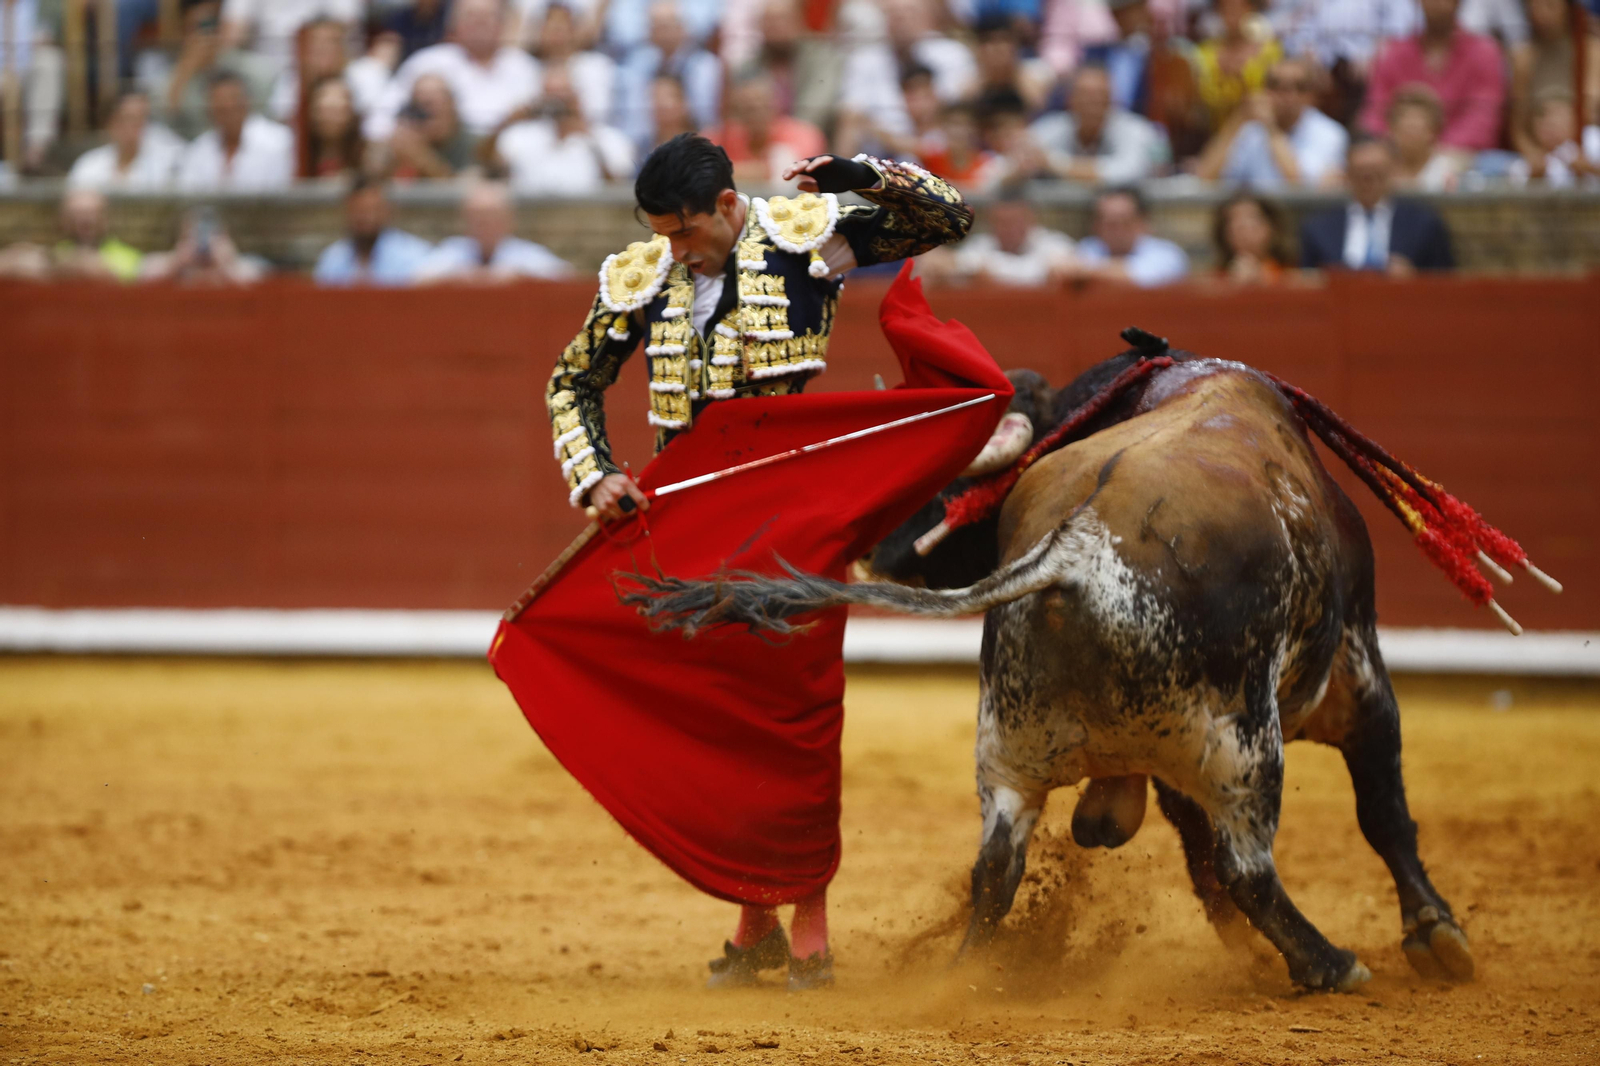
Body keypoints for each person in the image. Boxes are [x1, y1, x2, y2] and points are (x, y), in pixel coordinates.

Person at [544, 136, 972, 988]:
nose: (672, 250)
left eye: (684, 232)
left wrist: (864, 175)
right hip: (691, 530)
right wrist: (596, 476)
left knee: (795, 721)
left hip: (792, 526)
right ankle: (755, 923)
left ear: (729, 205)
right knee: (724, 726)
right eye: (661, 234)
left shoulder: (809, 238)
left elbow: (948, 216)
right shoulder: (643, 276)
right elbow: (572, 382)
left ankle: (802, 923)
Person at [364, 0, 541, 146]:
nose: (481, 23)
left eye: (489, 16)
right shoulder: (427, 62)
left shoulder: (525, 67)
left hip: (510, 164)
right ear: (453, 25)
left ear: (502, 24)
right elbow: (378, 121)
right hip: (442, 159)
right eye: (471, 16)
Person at [1359, 0, 1506, 153]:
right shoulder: (1393, 53)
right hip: (1399, 157)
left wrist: (1434, 153)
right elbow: (1375, 116)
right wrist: (1403, 145)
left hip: (1463, 159)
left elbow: (1483, 121)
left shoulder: (1485, 53)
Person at [1299, 136, 1455, 274]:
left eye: (1377, 174)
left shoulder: (1423, 224)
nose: (1369, 183)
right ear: (1347, 175)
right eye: (1362, 175)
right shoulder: (1319, 228)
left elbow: (1445, 280)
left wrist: (1413, 279)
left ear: (1393, 172)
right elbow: (1306, 282)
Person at [1193, 56, 1347, 187]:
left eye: (1298, 87)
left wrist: (1271, 128)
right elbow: (1205, 177)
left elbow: (1298, 184)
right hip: (1257, 218)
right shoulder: (1250, 129)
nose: (1288, 95)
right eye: (1276, 85)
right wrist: (1238, 119)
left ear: (1312, 95)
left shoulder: (1330, 133)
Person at [146, 0, 276, 140]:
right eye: (196, 27)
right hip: (195, 151)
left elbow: (265, 115)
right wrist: (185, 70)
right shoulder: (173, 77)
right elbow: (162, 121)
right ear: (184, 32)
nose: (205, 35)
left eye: (210, 25)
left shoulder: (248, 68)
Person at [494, 68, 635, 193]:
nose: (558, 102)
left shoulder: (610, 139)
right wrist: (509, 121)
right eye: (551, 95)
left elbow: (617, 190)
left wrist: (588, 138)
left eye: (564, 94)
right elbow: (490, 166)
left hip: (590, 217)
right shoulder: (519, 135)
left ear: (577, 95)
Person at [1028, 63, 1172, 183]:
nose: (1092, 103)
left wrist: (1052, 163)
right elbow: (1022, 155)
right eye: (1085, 95)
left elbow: (1127, 172)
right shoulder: (1051, 126)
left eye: (1100, 95)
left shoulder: (1138, 130)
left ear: (1112, 100)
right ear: (1070, 100)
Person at [613, 1, 722, 159]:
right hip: (649, 143)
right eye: (657, 27)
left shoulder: (705, 66)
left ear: (683, 29)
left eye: (668, 26)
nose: (663, 34)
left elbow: (708, 118)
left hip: (695, 141)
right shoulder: (639, 64)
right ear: (649, 32)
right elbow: (634, 118)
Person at [415, 180, 574, 282]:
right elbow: (416, 280)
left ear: (509, 220)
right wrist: (458, 277)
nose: (483, 222)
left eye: (490, 216)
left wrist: (521, 277)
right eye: (476, 216)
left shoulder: (525, 254)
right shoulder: (453, 250)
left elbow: (566, 279)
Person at [1510, 0, 1600, 173]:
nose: (1541, 14)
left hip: (1589, 150)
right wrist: (1533, 155)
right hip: (1543, 157)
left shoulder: (1594, 52)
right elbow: (1517, 127)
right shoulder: (1523, 59)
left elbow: (1594, 112)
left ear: (1568, 8)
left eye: (1549, 5)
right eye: (1533, 6)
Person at [176, 72, 296, 191]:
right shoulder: (199, 149)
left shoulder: (280, 141)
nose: (227, 106)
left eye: (233, 100)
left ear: (247, 101)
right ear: (209, 110)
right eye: (220, 106)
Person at [711, 67, 827, 187]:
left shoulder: (804, 135)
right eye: (749, 108)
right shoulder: (722, 136)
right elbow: (703, 171)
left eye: (763, 106)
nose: (757, 114)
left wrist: (730, 172)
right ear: (737, 111)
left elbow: (788, 171)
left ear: (776, 106)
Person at [314, 178, 434, 286]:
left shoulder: (413, 255)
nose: (367, 217)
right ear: (347, 211)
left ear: (387, 211)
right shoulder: (333, 258)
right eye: (360, 210)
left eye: (373, 210)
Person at [947, 188, 1077, 286]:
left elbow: (1083, 269)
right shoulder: (979, 247)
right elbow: (947, 265)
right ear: (991, 222)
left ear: (1031, 220)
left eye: (1015, 221)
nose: (1009, 229)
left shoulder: (1054, 245)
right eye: (1002, 222)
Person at [1068, 185, 1189, 286]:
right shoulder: (1087, 248)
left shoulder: (1168, 254)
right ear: (1095, 226)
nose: (1118, 231)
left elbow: (1142, 277)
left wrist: (1086, 271)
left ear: (1143, 222)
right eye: (1110, 223)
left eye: (1125, 222)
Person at [66, 89, 184, 191]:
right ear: (111, 122)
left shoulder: (168, 163)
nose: (136, 126)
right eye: (128, 118)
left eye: (142, 119)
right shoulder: (88, 165)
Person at [1191, 0, 1282, 132]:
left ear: (1250, 8)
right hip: (1216, 135)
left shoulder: (1270, 50)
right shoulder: (1204, 52)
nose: (1231, 13)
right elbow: (1200, 102)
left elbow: (1272, 99)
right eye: (1225, 7)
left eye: (1237, 6)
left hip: (1259, 133)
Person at [383, 73, 476, 179]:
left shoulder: (475, 146)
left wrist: (422, 158)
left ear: (452, 105)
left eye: (435, 101)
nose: (426, 106)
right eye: (419, 102)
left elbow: (460, 189)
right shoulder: (400, 146)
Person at [1509, 89, 1600, 187]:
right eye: (1543, 119)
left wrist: (1590, 168)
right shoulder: (1523, 166)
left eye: (1559, 116)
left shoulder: (1593, 139)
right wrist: (1536, 177)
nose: (1551, 124)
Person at [51, 189, 144, 282]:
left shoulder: (130, 258)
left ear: (106, 218)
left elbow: (132, 286)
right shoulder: (55, 256)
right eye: (76, 215)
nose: (84, 221)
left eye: (92, 214)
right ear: (64, 220)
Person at [1388, 85, 1463, 191]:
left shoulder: (1448, 171)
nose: (1410, 134)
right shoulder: (1380, 171)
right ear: (1392, 130)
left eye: (1415, 128)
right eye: (1405, 127)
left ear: (1433, 132)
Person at [1210, 191, 1293, 283]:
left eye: (1252, 219)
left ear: (1273, 227)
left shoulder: (1290, 274)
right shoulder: (1215, 280)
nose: (1242, 229)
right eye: (1233, 221)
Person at [299, 76, 368, 179]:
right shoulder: (296, 155)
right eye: (323, 110)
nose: (330, 118)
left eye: (337, 111)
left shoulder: (366, 156)